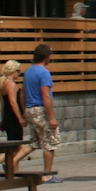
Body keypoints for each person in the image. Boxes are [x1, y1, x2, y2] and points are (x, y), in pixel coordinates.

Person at [22, 44, 63, 183]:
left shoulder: (28, 72)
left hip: (30, 109)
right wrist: (52, 118)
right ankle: (47, 174)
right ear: (47, 57)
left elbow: (22, 93)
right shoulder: (44, 73)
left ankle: (12, 162)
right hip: (41, 110)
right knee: (49, 143)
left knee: (34, 142)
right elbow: (46, 96)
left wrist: (24, 112)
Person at [0, 60, 28, 175]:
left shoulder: (3, 84)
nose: (19, 74)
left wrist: (2, 118)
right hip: (13, 118)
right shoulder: (11, 84)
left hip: (8, 117)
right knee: (15, 145)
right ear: (13, 71)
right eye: (18, 71)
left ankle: (14, 170)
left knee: (15, 145)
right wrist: (20, 118)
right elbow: (13, 102)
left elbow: (3, 104)